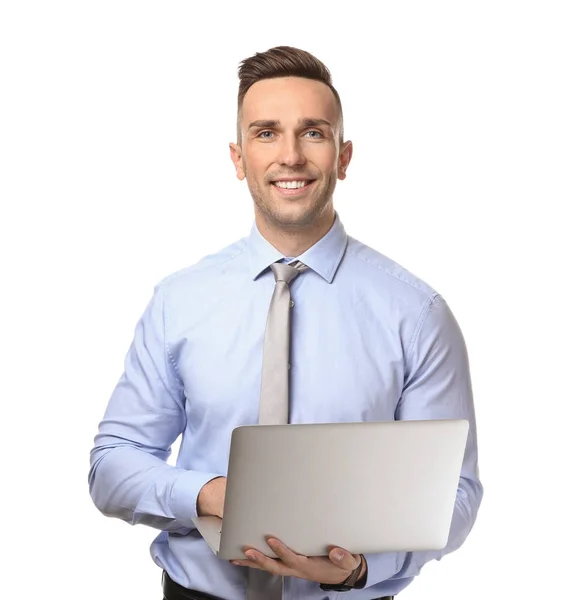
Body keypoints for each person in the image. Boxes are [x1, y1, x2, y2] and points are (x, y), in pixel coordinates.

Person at [89, 45, 483, 600]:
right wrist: (210, 493)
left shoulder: (415, 314)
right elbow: (112, 466)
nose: (290, 156)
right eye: (267, 132)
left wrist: (359, 568)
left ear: (343, 157)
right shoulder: (180, 301)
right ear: (238, 156)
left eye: (314, 133)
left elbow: (455, 494)